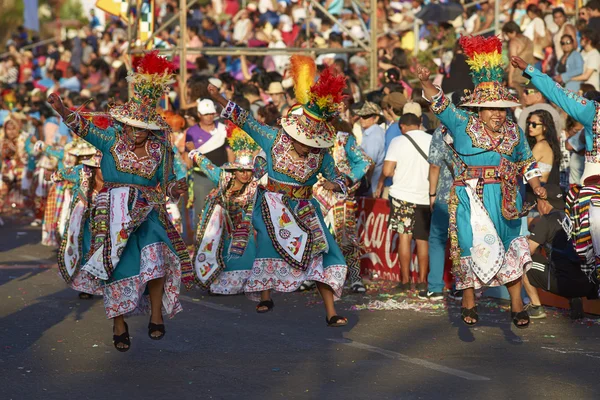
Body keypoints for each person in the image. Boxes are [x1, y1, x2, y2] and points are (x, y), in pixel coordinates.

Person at [47, 51, 193, 352]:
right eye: (132, 126)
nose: (137, 133)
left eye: (143, 129)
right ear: (124, 124)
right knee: (117, 266)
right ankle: (119, 323)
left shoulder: (161, 148)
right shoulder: (110, 140)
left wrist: (175, 189)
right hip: (112, 212)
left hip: (149, 210)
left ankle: (155, 316)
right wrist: (62, 109)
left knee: (155, 257)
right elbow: (82, 127)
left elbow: (166, 183)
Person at [208, 55, 350, 326]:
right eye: (304, 142)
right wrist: (218, 98)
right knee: (267, 245)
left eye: (312, 143)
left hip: (306, 207)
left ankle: (331, 312)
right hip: (272, 203)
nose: (307, 147)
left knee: (324, 251)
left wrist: (336, 184)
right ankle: (265, 295)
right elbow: (245, 120)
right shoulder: (273, 137)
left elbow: (338, 177)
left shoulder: (321, 152)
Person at [419, 35, 547, 329]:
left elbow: (527, 161)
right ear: (477, 108)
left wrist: (537, 185)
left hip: (506, 197)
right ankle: (468, 300)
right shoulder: (461, 122)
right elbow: (438, 102)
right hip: (469, 197)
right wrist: (426, 83)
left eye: (502, 108)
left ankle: (517, 305)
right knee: (467, 245)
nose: (497, 114)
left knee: (509, 246)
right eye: (491, 108)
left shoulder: (514, 132)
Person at [511, 55, 600, 289]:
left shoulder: (593, 112)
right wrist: (532, 71)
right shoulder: (593, 111)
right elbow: (559, 93)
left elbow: (560, 93)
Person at [187, 126, 263, 296]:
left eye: (249, 171)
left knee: (248, 246)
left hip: (246, 230)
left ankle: (247, 280)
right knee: (223, 250)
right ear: (234, 171)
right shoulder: (223, 178)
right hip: (223, 228)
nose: (245, 174)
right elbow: (208, 166)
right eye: (241, 171)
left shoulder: (255, 186)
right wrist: (194, 153)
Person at [313, 118, 373, 293]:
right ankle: (315, 277)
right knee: (316, 237)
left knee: (346, 236)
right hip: (316, 195)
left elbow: (364, 162)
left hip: (340, 196)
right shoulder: (311, 140)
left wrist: (347, 179)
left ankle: (355, 278)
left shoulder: (344, 139)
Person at [524, 184, 599, 320]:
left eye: (537, 203)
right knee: (565, 259)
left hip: (563, 284)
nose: (537, 207)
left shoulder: (546, 220)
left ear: (544, 202)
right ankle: (575, 298)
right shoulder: (571, 216)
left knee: (522, 261)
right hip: (587, 284)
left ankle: (536, 307)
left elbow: (527, 251)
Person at [376, 113, 432, 292]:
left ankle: (405, 280)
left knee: (404, 238)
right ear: (419, 123)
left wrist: (393, 175)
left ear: (402, 127)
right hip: (424, 196)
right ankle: (423, 281)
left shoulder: (398, 142)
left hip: (402, 197)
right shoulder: (431, 140)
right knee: (423, 240)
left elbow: (387, 170)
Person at [185, 98, 230, 224]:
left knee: (224, 210)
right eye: (206, 114)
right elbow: (187, 156)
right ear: (199, 115)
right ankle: (200, 241)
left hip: (221, 176)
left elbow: (229, 151)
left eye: (211, 113)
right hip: (201, 177)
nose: (209, 117)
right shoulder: (191, 132)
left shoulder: (223, 129)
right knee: (202, 210)